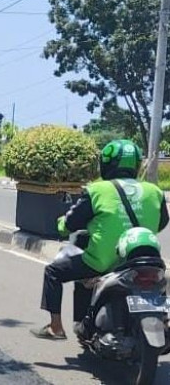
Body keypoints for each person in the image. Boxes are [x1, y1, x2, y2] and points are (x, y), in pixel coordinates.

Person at [31, 139, 168, 340]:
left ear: (106, 164)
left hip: (103, 262)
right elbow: (162, 223)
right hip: (143, 259)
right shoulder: (154, 191)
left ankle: (55, 326)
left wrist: (61, 225)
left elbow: (70, 223)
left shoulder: (97, 190)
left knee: (52, 272)